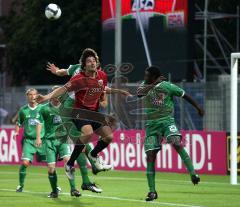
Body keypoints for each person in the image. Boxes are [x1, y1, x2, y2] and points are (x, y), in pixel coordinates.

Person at [36, 48, 131, 181]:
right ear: (84, 65)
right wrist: (45, 98)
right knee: (87, 133)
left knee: (108, 136)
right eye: (89, 61)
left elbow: (104, 89)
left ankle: (93, 155)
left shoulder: (102, 76)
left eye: (94, 60)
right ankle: (69, 164)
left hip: (93, 112)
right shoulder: (78, 78)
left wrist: (118, 91)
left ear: (97, 63)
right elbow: (62, 89)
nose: (92, 63)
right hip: (78, 111)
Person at [137, 66, 204, 201]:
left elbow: (185, 95)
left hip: (167, 121)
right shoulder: (145, 85)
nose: (144, 78)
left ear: (154, 76)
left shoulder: (168, 86)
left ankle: (193, 174)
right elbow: (139, 93)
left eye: (147, 75)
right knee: (150, 156)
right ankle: (152, 191)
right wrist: (153, 84)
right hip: (151, 126)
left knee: (177, 143)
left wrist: (198, 107)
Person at [36, 86, 82, 198]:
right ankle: (54, 191)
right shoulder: (43, 108)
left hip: (63, 140)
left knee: (68, 162)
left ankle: (73, 189)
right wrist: (38, 137)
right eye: (56, 94)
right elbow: (39, 123)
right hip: (50, 141)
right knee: (51, 169)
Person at [14, 88, 47, 192]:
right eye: (30, 95)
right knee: (25, 163)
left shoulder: (43, 108)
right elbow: (19, 123)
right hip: (28, 141)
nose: (33, 97)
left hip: (42, 140)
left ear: (37, 96)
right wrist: (16, 132)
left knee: (51, 164)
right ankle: (20, 185)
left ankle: (56, 186)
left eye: (34, 94)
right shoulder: (23, 110)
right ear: (27, 96)